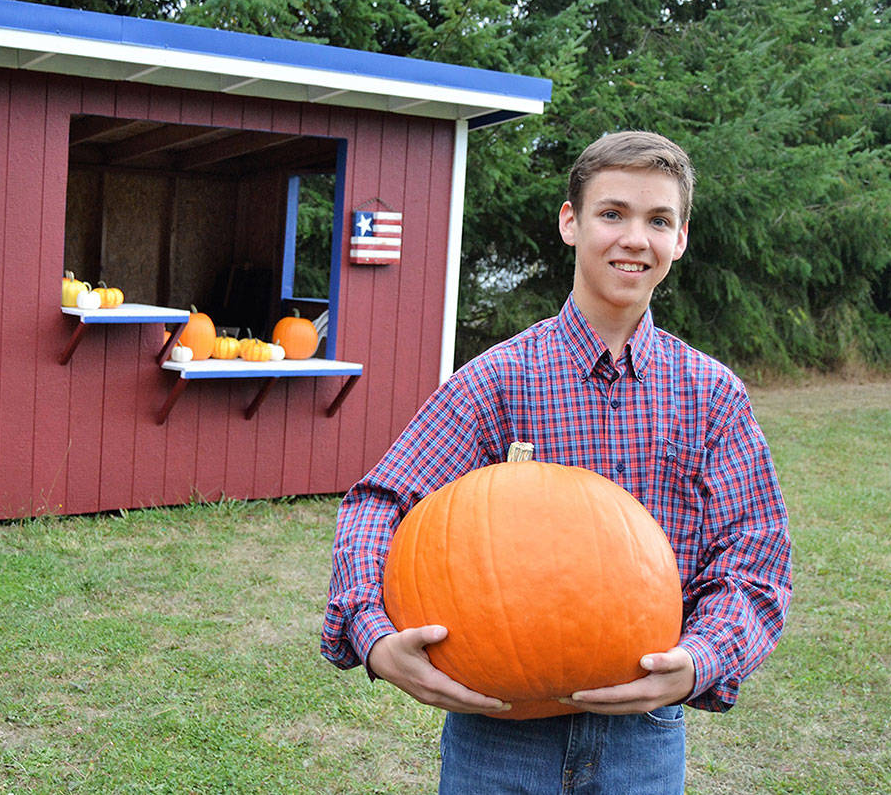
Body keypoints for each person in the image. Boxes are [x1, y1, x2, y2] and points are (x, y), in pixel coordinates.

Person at [321, 131, 792, 794]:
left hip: (644, 737)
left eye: (658, 220)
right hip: (500, 733)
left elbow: (756, 556)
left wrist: (699, 659)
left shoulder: (711, 396)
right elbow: (381, 504)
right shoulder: (498, 381)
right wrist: (371, 634)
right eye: (612, 213)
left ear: (679, 238)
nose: (634, 237)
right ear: (571, 222)